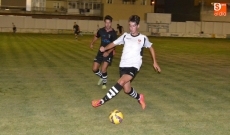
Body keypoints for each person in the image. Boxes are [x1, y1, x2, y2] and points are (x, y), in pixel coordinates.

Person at [92, 15, 161, 109]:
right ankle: (139, 97)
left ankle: (101, 101)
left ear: (138, 26)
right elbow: (113, 43)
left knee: (121, 82)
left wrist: (155, 62)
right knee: (127, 89)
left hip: (134, 66)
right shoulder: (125, 36)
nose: (131, 28)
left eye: (133, 26)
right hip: (123, 65)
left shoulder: (143, 38)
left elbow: (151, 47)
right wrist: (105, 48)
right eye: (130, 25)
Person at [90, 15, 117, 89]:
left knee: (103, 69)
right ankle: (103, 77)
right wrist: (92, 43)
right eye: (106, 22)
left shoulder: (113, 33)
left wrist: (108, 52)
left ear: (111, 23)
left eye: (109, 23)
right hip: (101, 51)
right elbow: (96, 36)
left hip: (109, 52)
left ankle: (104, 83)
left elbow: (114, 45)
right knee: (94, 69)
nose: (107, 24)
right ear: (104, 22)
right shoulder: (101, 30)